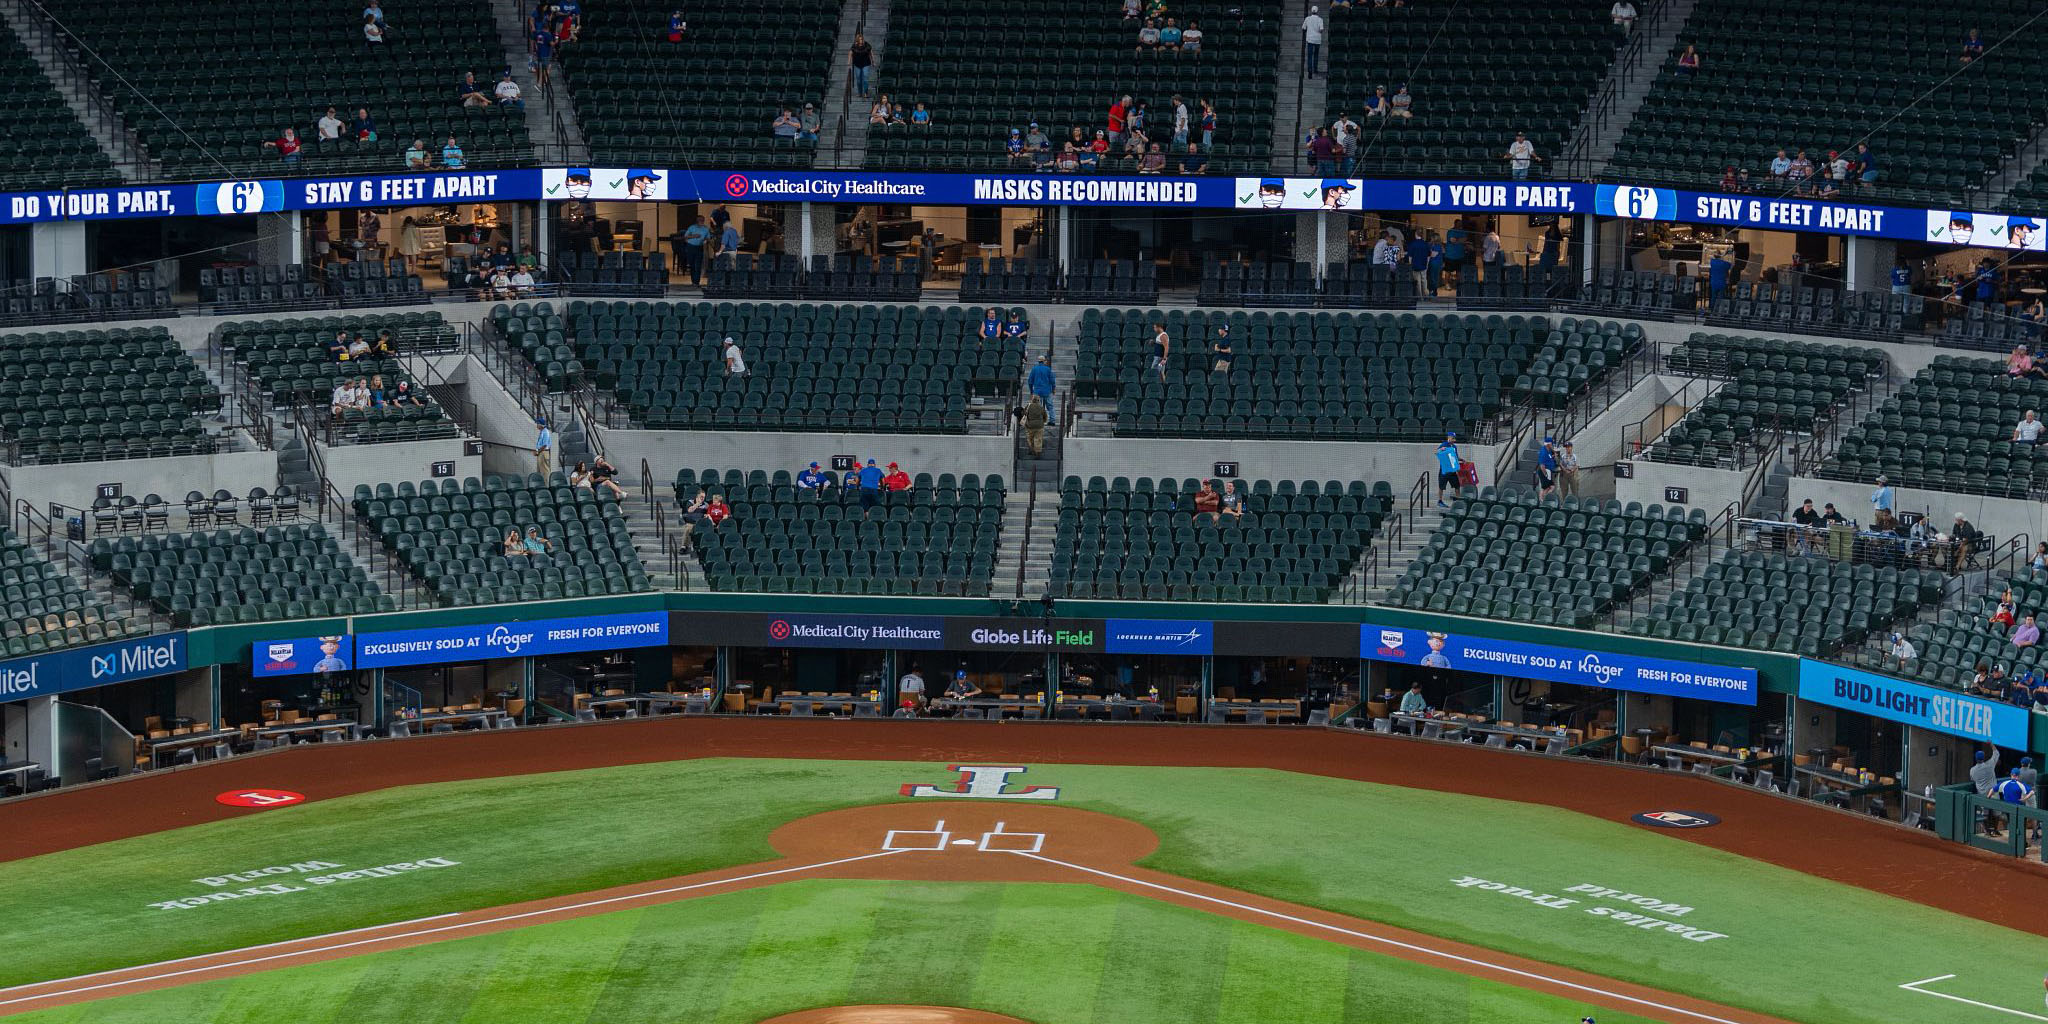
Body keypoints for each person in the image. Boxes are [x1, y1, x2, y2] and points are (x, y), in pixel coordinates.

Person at [1434, 431, 1462, 507]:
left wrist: (1462, 460)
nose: (1454, 440)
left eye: (1455, 439)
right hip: (1444, 470)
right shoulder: (1444, 444)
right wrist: (1441, 449)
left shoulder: (1454, 447)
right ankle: (1440, 501)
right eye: (1453, 438)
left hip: (1452, 470)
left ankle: (1458, 501)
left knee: (1457, 485)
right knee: (1441, 486)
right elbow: (1436, 452)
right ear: (1449, 438)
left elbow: (1455, 457)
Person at [1301, 5, 1324, 78]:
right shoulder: (1320, 19)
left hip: (1310, 39)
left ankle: (1310, 71)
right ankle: (1315, 69)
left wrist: (1309, 30)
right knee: (1316, 55)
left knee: (1310, 56)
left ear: (1311, 11)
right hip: (1317, 39)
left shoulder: (1307, 19)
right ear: (1317, 11)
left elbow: (1303, 28)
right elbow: (1321, 30)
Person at [850, 32, 873, 97]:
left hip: (866, 63)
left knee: (865, 77)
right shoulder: (854, 46)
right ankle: (860, 93)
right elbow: (850, 53)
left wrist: (873, 61)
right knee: (859, 80)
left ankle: (866, 93)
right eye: (860, 39)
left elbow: (870, 53)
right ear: (857, 40)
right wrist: (849, 62)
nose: (861, 40)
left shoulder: (866, 45)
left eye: (862, 39)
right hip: (857, 64)